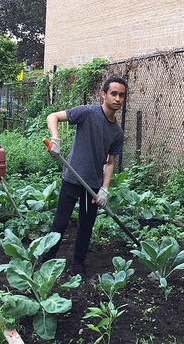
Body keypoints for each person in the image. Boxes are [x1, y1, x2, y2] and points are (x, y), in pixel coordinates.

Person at [42, 75, 127, 281]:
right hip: (73, 178)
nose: (117, 98)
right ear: (103, 95)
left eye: (121, 95)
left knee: (86, 227)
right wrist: (55, 138)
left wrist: (105, 189)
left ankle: (78, 267)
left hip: (92, 186)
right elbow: (53, 116)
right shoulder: (88, 113)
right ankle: (46, 262)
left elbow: (109, 162)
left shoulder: (116, 131)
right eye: (113, 93)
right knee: (60, 223)